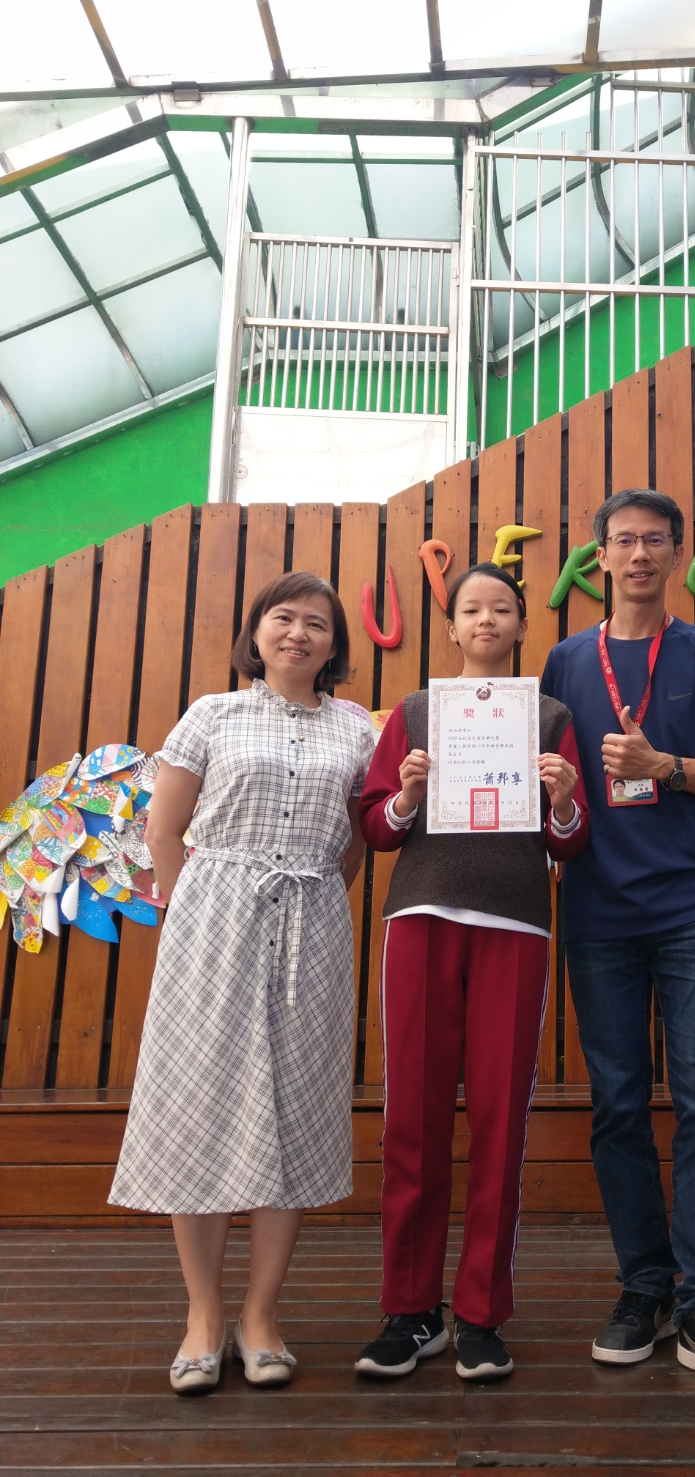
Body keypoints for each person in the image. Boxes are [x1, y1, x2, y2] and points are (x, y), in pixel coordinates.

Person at [540, 489, 695, 1405]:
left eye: (654, 539)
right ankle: (645, 1286)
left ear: (678, 553)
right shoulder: (567, 660)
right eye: (623, 540)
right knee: (617, 1104)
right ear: (599, 558)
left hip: (691, 906)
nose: (638, 553)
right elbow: (550, 777)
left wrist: (664, 769)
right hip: (597, 910)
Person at [109, 572, 375, 1394]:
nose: (298, 633)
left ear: (335, 645)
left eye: (317, 623)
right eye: (282, 618)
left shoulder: (358, 729)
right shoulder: (212, 714)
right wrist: (193, 912)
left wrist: (314, 893)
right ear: (256, 633)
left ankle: (261, 1316)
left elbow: (356, 839)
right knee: (200, 1106)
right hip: (212, 923)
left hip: (312, 925)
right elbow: (163, 829)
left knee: (293, 1112)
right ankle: (203, 1315)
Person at [357, 563, 589, 1382]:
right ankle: (410, 1309)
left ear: (522, 625)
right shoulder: (415, 712)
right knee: (412, 1119)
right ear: (451, 626)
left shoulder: (548, 716)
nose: (486, 619)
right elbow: (376, 826)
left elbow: (570, 840)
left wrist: (563, 798)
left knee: (500, 1123)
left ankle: (482, 1313)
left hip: (514, 924)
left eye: (501, 608)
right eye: (470, 608)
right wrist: (407, 795)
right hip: (421, 917)